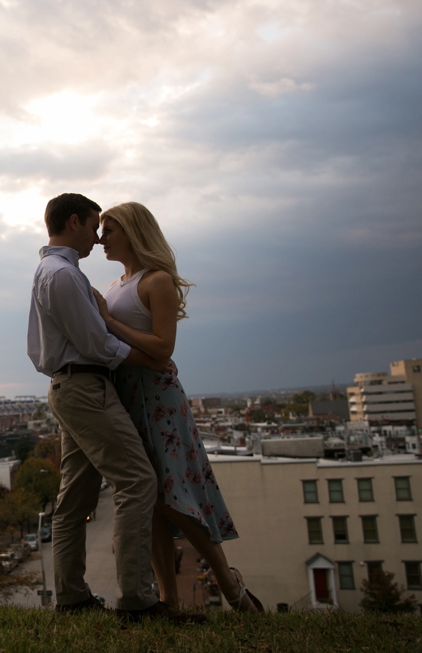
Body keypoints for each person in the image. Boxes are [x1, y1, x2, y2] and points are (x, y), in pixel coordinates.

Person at [27, 193, 205, 625]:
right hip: (86, 386)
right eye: (94, 226)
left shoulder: (53, 272)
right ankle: (138, 602)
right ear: (74, 223)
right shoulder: (64, 275)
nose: (98, 236)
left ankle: (71, 596)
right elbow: (98, 344)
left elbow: (45, 348)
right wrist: (152, 358)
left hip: (70, 385)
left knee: (77, 495)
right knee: (138, 481)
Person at [94, 201, 262, 612]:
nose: (101, 239)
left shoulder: (157, 281)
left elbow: (164, 347)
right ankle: (167, 598)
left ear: (133, 232)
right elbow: (139, 348)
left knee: (174, 496)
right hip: (128, 398)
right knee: (148, 499)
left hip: (158, 400)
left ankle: (229, 583)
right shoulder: (118, 285)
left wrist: (109, 322)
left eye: (109, 230)